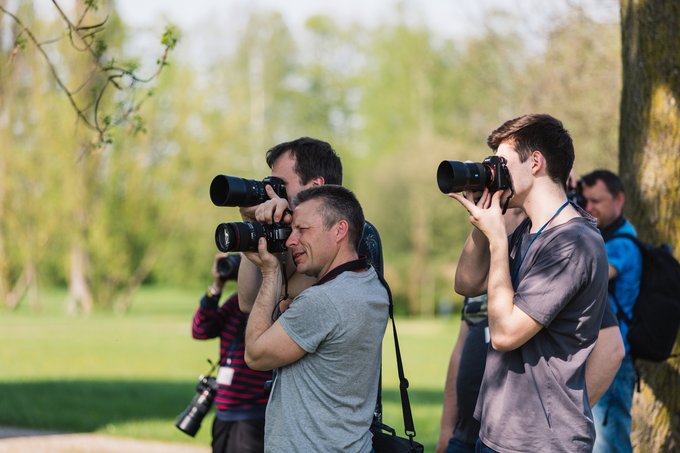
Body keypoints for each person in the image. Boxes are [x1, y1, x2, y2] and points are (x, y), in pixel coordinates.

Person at [447, 114, 610, 452]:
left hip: (541, 442)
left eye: (501, 163)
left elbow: (505, 334)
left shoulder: (573, 243)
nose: (494, 172)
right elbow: (465, 283)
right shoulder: (530, 230)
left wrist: (497, 240)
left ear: (535, 162)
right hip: (497, 434)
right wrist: (482, 221)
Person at [435, 208, 623, 453]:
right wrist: (448, 427)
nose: (498, 214)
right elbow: (461, 343)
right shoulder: (498, 259)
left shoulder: (561, 260)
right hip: (473, 432)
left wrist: (560, 415)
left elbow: (612, 349)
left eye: (508, 210)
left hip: (526, 438)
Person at [241, 185, 389, 452]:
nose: (289, 241)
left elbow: (255, 355)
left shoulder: (324, 301)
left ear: (339, 230)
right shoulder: (371, 285)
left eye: (302, 230)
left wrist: (271, 273)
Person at [236, 136, 343, 314]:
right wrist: (251, 226)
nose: (271, 192)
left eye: (280, 185)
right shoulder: (294, 235)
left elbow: (277, 303)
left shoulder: (344, 237)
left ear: (314, 186)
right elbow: (247, 303)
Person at [581, 169, 642, 453]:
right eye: (585, 201)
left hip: (614, 360)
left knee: (609, 445)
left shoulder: (622, 244)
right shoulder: (604, 237)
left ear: (619, 200)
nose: (589, 208)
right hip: (596, 356)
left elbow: (590, 276)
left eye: (596, 201)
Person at [191, 253, 272, 453]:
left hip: (252, 414)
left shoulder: (273, 304)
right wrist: (216, 286)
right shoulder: (234, 303)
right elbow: (200, 329)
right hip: (224, 412)